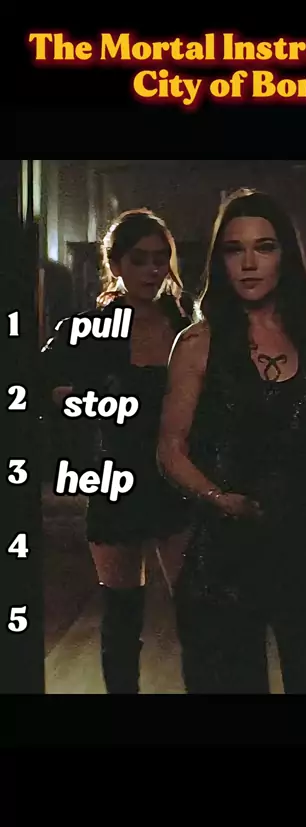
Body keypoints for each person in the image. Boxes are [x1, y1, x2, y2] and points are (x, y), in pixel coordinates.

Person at [157, 188, 306, 694]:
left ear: (284, 256)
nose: (248, 263)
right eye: (234, 249)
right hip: (225, 553)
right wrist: (220, 498)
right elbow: (170, 449)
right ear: (219, 261)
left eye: (264, 247)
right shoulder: (198, 342)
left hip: (303, 548)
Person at [41, 208, 193, 693]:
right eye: (140, 259)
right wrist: (75, 403)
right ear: (116, 263)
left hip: (176, 477)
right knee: (122, 615)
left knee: (197, 609)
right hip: (117, 477)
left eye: (160, 259)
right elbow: (39, 380)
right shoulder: (91, 327)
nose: (152, 270)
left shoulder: (184, 322)